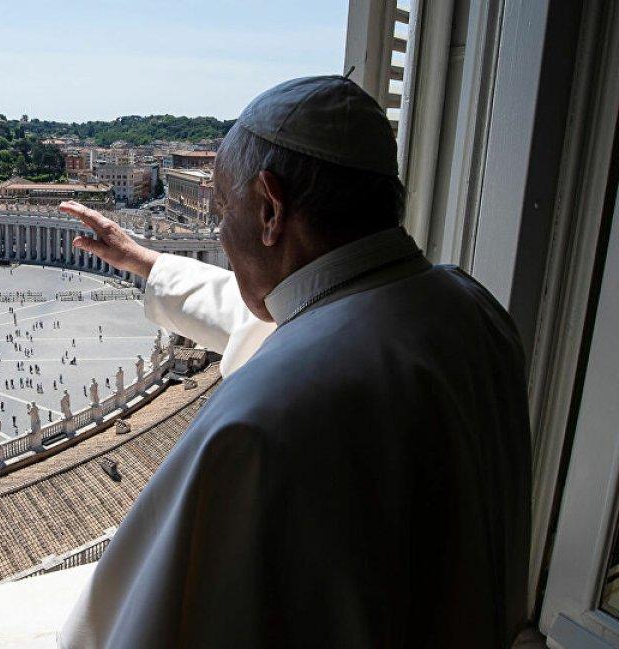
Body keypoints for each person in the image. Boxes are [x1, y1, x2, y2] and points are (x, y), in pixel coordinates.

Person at [57, 76, 531, 648]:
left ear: (271, 209)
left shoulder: (261, 417)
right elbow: (291, 319)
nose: (217, 233)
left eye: (222, 209)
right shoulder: (470, 306)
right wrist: (148, 261)